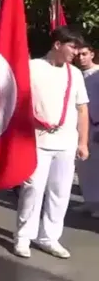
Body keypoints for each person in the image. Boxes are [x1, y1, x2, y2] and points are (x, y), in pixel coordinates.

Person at [14, 26, 89, 259]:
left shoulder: (74, 74)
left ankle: (49, 237)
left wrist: (83, 142)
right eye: (72, 47)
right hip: (35, 141)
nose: (76, 53)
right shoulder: (32, 68)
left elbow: (82, 108)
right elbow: (16, 102)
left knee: (60, 192)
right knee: (32, 190)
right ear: (58, 45)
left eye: (78, 48)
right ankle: (23, 237)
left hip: (66, 142)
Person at [74, 43, 99, 218]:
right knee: (84, 166)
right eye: (78, 55)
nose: (81, 58)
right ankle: (89, 201)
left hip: (97, 126)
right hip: (81, 127)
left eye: (84, 54)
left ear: (92, 54)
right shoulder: (76, 76)